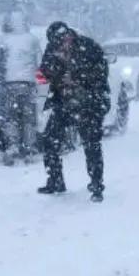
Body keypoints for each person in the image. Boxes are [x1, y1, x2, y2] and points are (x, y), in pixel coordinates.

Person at [38, 21, 110, 203]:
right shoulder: (52, 49)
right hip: (63, 101)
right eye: (57, 44)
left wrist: (78, 78)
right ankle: (55, 180)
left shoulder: (88, 47)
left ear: (69, 36)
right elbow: (44, 74)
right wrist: (55, 69)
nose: (62, 46)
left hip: (89, 104)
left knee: (91, 144)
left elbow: (101, 74)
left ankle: (96, 185)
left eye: (63, 42)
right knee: (50, 140)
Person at [0, 11, 42, 165]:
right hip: (29, 84)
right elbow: (40, 64)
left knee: (10, 117)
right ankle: (30, 148)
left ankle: (13, 146)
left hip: (8, 84)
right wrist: (41, 86)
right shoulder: (32, 40)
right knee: (29, 118)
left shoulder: (1, 40)